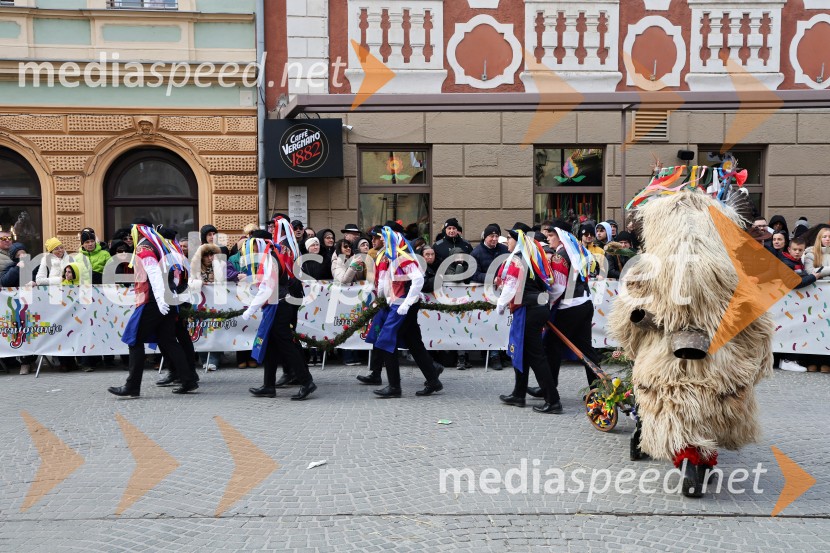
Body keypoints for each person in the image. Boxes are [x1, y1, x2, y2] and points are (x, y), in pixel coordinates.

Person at [108, 224, 198, 397]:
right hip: (168, 299)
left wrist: (159, 299)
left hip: (152, 301)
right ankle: (189, 380)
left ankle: (132, 386)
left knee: (134, 340)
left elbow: (154, 273)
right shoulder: (159, 246)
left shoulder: (144, 247)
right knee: (168, 340)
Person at [358, 226, 443, 397]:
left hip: (403, 305)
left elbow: (418, 280)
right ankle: (433, 380)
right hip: (399, 304)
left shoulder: (402, 257)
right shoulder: (393, 256)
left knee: (387, 341)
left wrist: (406, 303)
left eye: (384, 238)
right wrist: (384, 298)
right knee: (414, 344)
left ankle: (394, 386)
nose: (381, 240)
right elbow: (388, 282)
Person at [244, 221, 317, 401]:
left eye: (254, 244)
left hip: (279, 306)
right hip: (277, 304)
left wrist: (250, 309)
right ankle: (269, 385)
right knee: (271, 345)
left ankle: (306, 381)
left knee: (287, 346)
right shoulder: (276, 253)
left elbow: (267, 288)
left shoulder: (270, 257)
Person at [496, 223, 561, 413]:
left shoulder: (518, 258)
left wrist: (500, 306)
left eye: (509, 238)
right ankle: (519, 393)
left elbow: (511, 286)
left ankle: (553, 400)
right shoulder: (532, 257)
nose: (507, 241)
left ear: (516, 240)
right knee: (522, 353)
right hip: (536, 307)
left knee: (536, 356)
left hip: (529, 309)